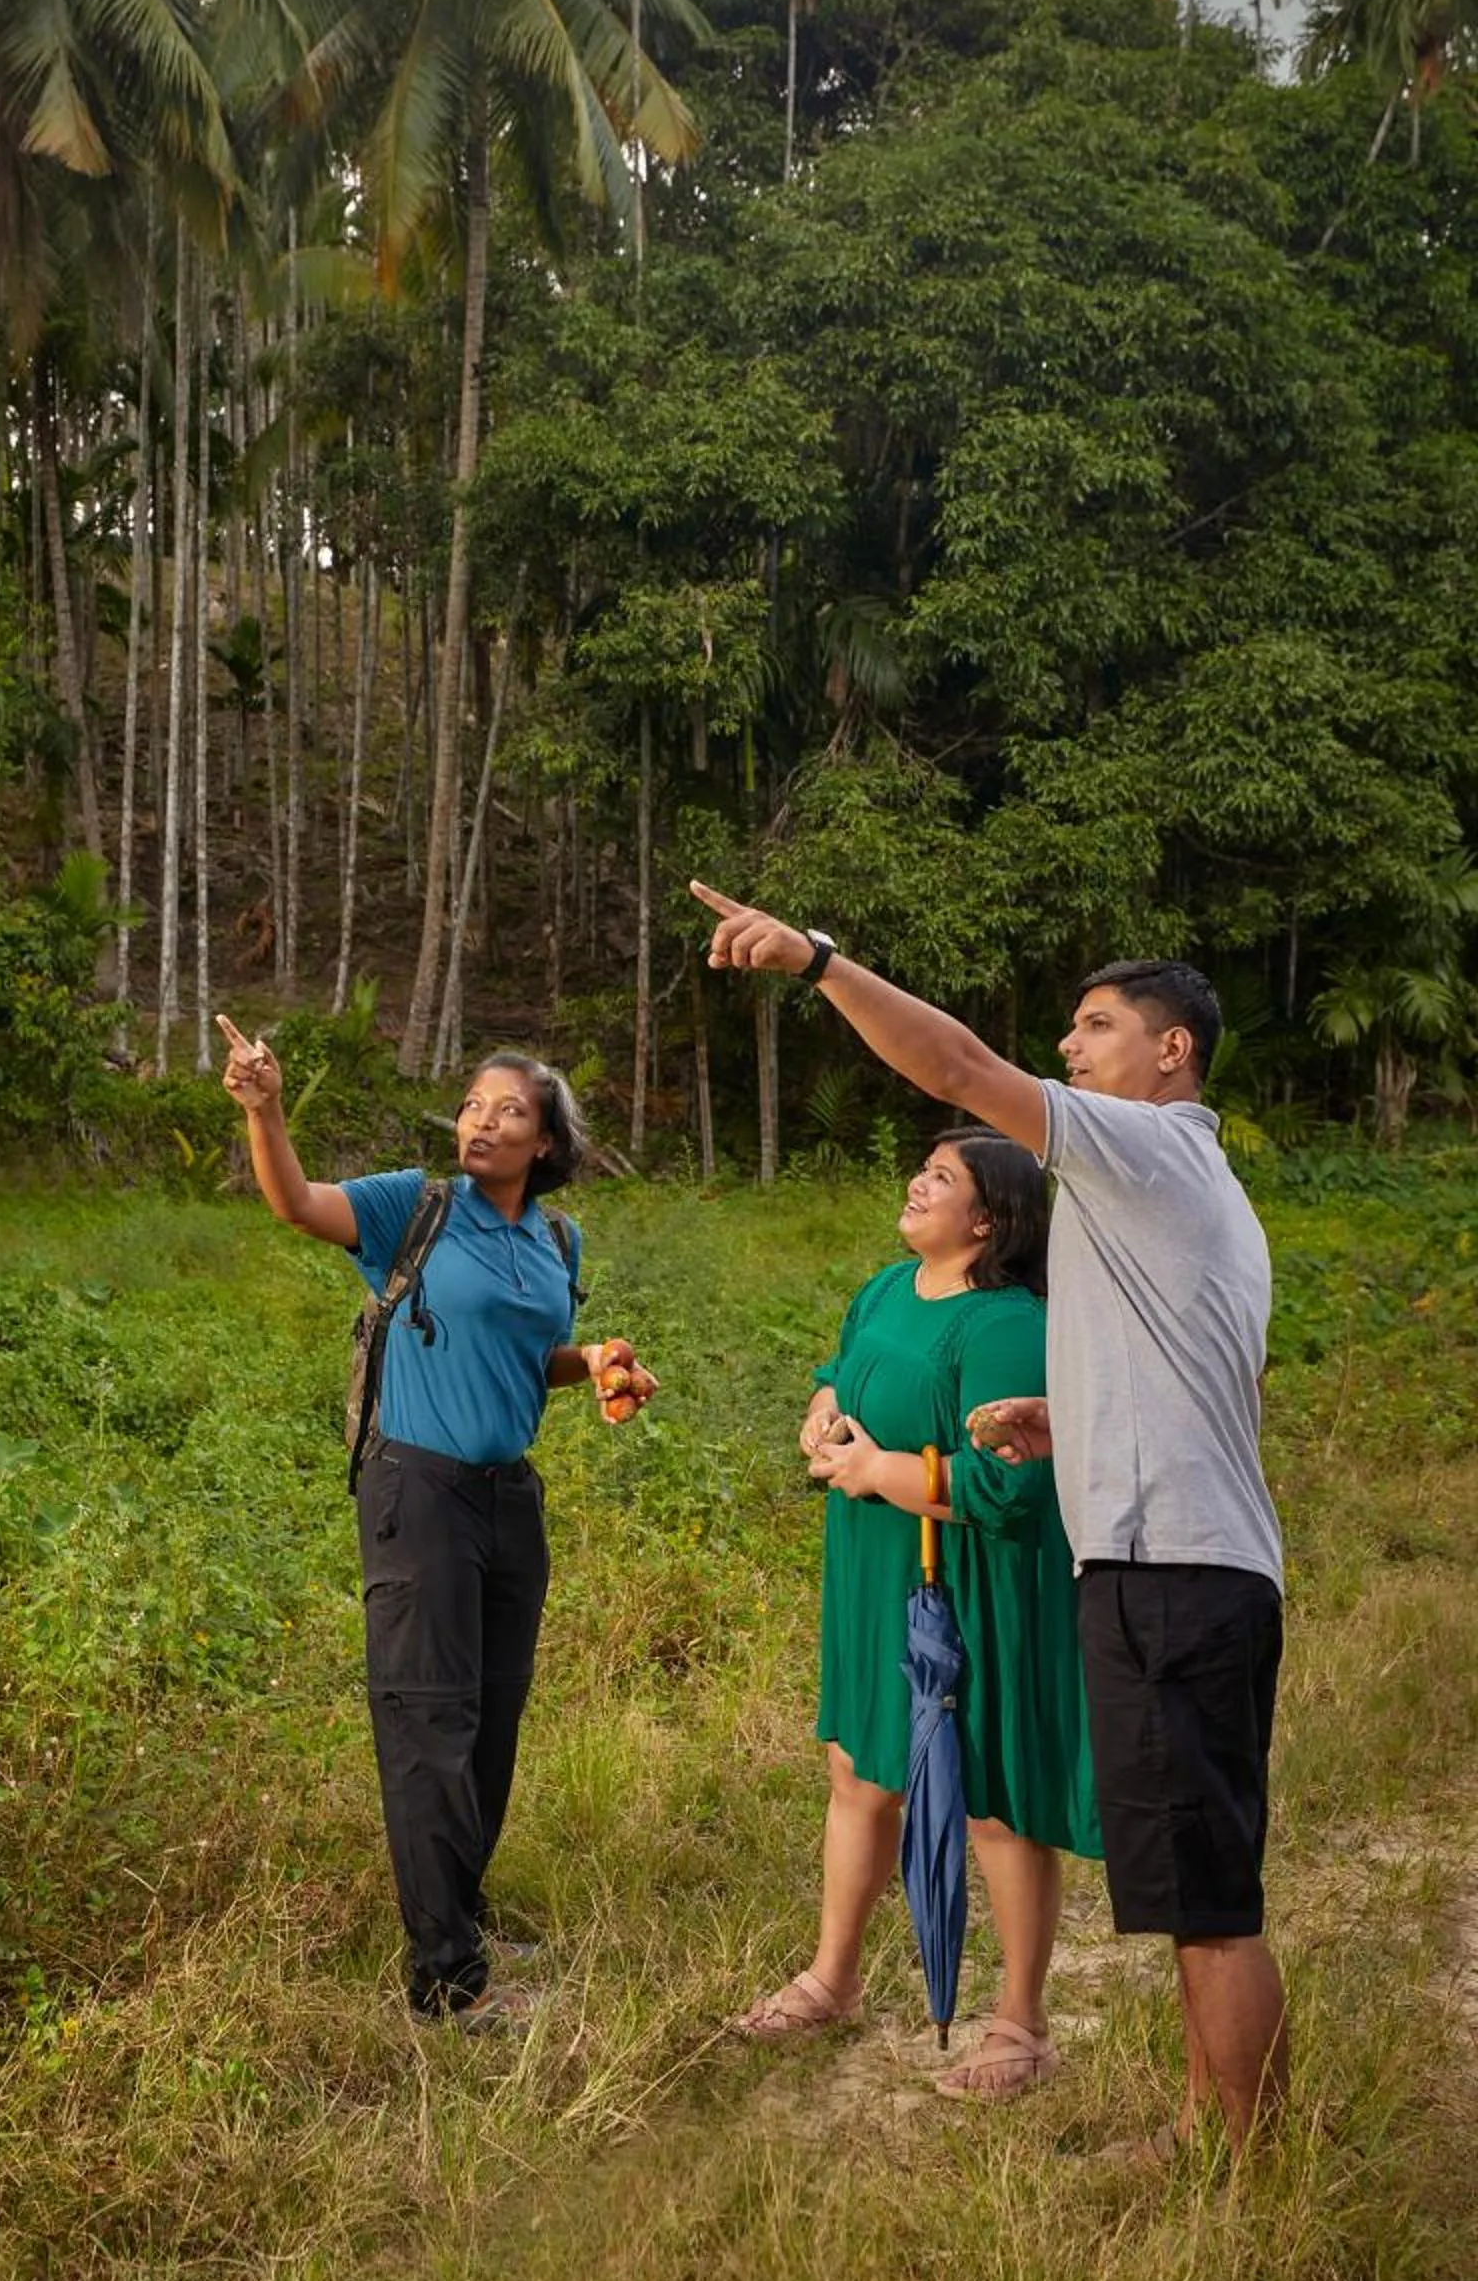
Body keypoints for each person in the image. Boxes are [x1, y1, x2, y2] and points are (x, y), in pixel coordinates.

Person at [694, 890, 1286, 2157]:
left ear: (1169, 1050)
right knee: (1191, 1888)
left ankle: (1241, 2159)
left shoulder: (1151, 1149)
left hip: (1174, 1574)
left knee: (1208, 1901)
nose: (1068, 1050)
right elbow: (1207, 1383)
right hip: (1169, 1562)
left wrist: (816, 962)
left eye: (1094, 1026)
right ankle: (1216, 2134)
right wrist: (1064, 1421)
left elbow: (956, 1063)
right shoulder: (1184, 1193)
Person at [216, 1016, 658, 2030]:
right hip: (415, 1490)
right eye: (472, 1104)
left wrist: (587, 1362)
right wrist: (265, 1110)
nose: (483, 1121)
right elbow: (294, 1202)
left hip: (508, 1496)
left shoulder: (554, 1238)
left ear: (546, 1142)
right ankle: (445, 1983)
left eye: (510, 1110)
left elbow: (525, 1353)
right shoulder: (408, 1207)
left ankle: (459, 1916)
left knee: (490, 1722)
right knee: (427, 1725)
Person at [734, 1130, 1100, 2099]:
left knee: (988, 1803)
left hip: (970, 1582)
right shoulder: (887, 1290)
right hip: (873, 1566)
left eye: (940, 1179)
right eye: (921, 1169)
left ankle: (1019, 2023)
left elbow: (1010, 1487)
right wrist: (820, 1419)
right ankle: (832, 1978)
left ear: (986, 1220)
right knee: (858, 1769)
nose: (914, 1182)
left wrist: (872, 1470)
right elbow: (837, 1369)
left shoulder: (1004, 1324)